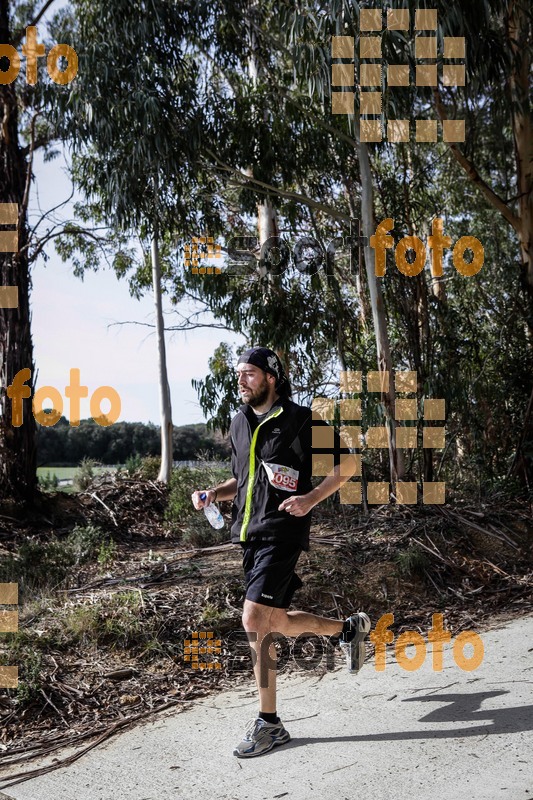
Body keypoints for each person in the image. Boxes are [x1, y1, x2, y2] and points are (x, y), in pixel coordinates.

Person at [191, 346, 370, 759]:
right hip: (248, 535)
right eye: (239, 373)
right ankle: (347, 630)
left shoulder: (300, 420)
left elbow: (347, 464)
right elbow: (243, 479)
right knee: (273, 621)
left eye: (250, 373)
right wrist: (212, 494)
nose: (241, 380)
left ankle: (269, 724)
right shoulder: (238, 423)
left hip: (283, 531)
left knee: (253, 618)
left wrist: (310, 498)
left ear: (271, 377)